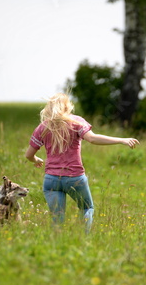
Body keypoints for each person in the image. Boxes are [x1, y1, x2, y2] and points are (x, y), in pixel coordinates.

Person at [25, 93, 139, 232]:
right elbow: (93, 139)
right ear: (67, 106)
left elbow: (29, 155)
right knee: (86, 208)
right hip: (75, 178)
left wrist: (36, 160)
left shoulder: (43, 127)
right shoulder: (76, 122)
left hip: (51, 179)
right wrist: (121, 140)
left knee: (57, 217)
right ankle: (83, 240)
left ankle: (56, 244)